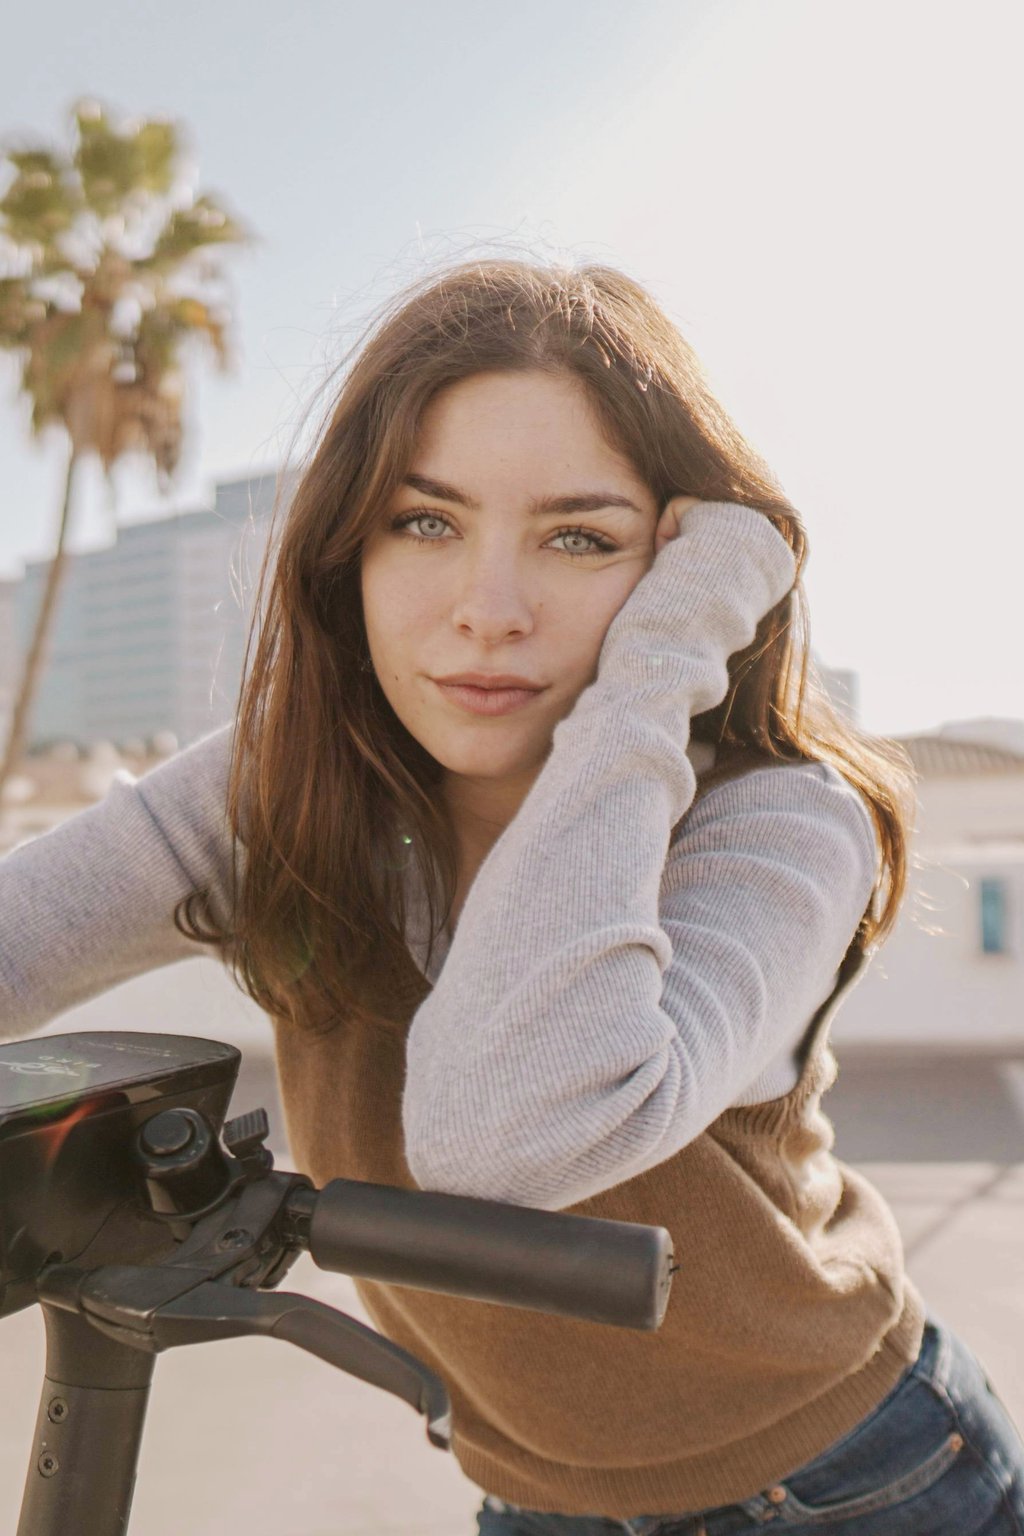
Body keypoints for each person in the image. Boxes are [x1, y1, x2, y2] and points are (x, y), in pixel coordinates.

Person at [3, 257, 1023, 1535]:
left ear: (682, 569)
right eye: (424, 523)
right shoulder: (286, 786)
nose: (488, 613)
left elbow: (502, 1141)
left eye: (579, 538)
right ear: (346, 553)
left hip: (848, 1480)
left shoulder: (779, 823)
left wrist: (659, 664)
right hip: (531, 1495)